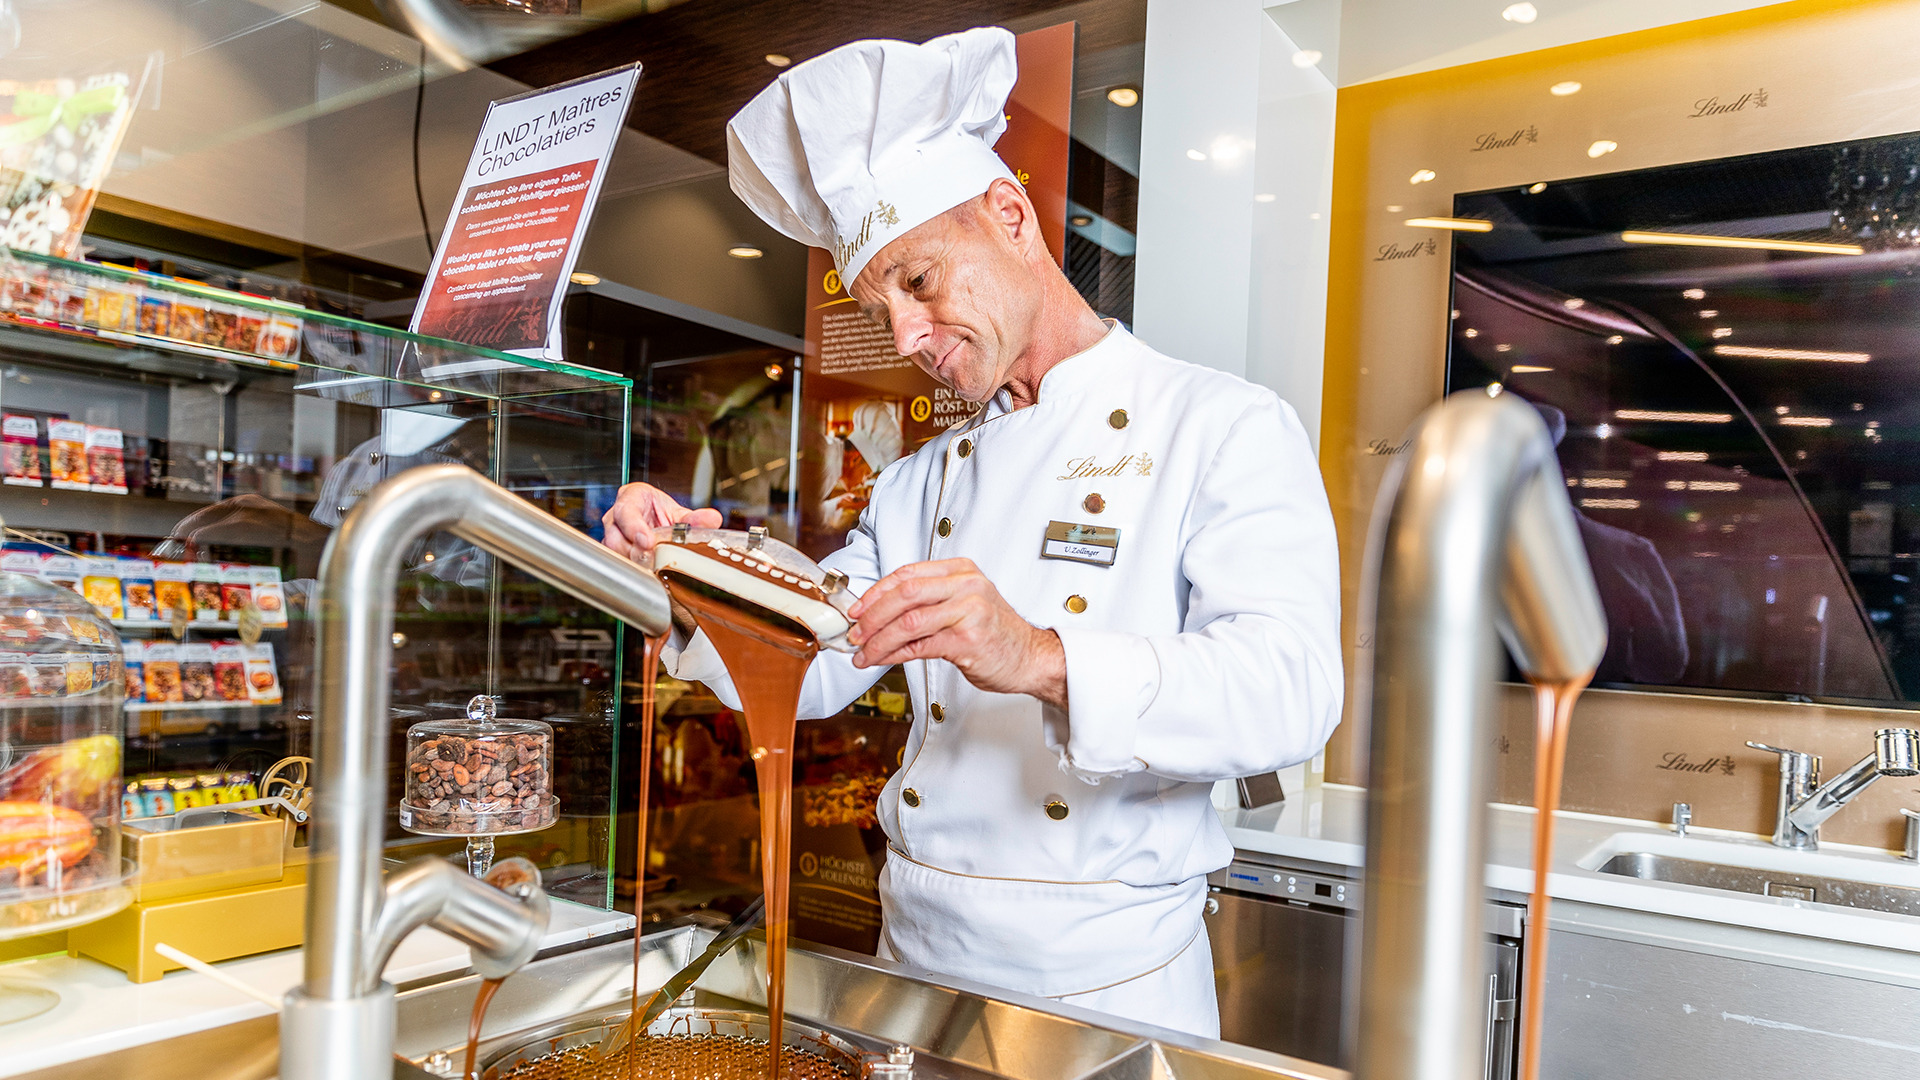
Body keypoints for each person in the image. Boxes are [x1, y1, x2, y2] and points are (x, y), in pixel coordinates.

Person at [601, 26, 1342, 1037]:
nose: (904, 337)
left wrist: (1037, 656)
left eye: (917, 282)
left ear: (1009, 215)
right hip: (912, 963)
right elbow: (817, 658)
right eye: (879, 307)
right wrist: (694, 573)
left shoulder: (1220, 425)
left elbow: (1292, 690)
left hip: (1106, 986)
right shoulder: (918, 482)